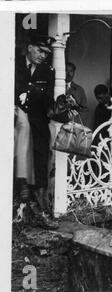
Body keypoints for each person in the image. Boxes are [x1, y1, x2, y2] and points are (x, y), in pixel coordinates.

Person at [14, 33, 58, 229]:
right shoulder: (12, 61)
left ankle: (42, 209)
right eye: (40, 51)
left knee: (41, 157)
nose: (43, 56)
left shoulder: (48, 71)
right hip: (15, 116)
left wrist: (58, 107)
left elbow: (48, 98)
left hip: (38, 119)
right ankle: (22, 187)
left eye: (46, 53)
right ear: (29, 47)